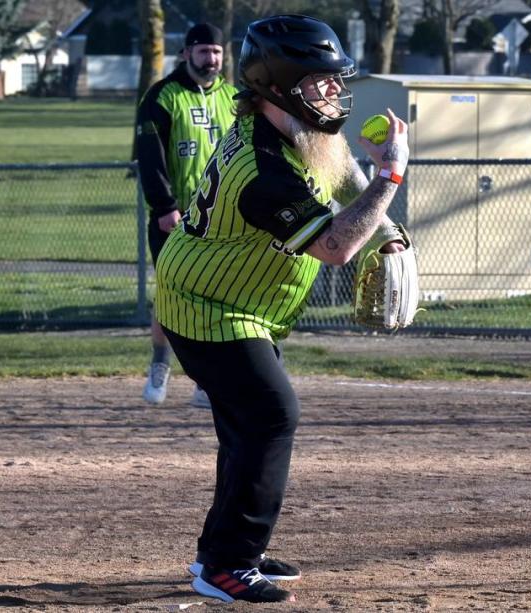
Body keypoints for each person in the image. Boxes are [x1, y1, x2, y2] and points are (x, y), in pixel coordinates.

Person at [154, 15, 411, 603]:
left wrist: (388, 229)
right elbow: (335, 247)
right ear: (281, 84)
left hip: (234, 302)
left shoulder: (291, 133)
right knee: (271, 416)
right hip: (207, 307)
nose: (333, 92)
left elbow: (342, 171)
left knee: (246, 429)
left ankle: (223, 549)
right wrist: (391, 174)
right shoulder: (263, 170)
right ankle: (226, 565)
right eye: (319, 81)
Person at [135, 23, 237, 408]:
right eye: (203, 52)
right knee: (171, 298)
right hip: (174, 218)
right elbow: (150, 157)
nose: (210, 60)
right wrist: (164, 206)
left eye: (216, 52)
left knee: (216, 298)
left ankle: (205, 380)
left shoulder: (234, 98)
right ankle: (161, 364)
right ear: (186, 53)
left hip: (223, 219)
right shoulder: (162, 96)